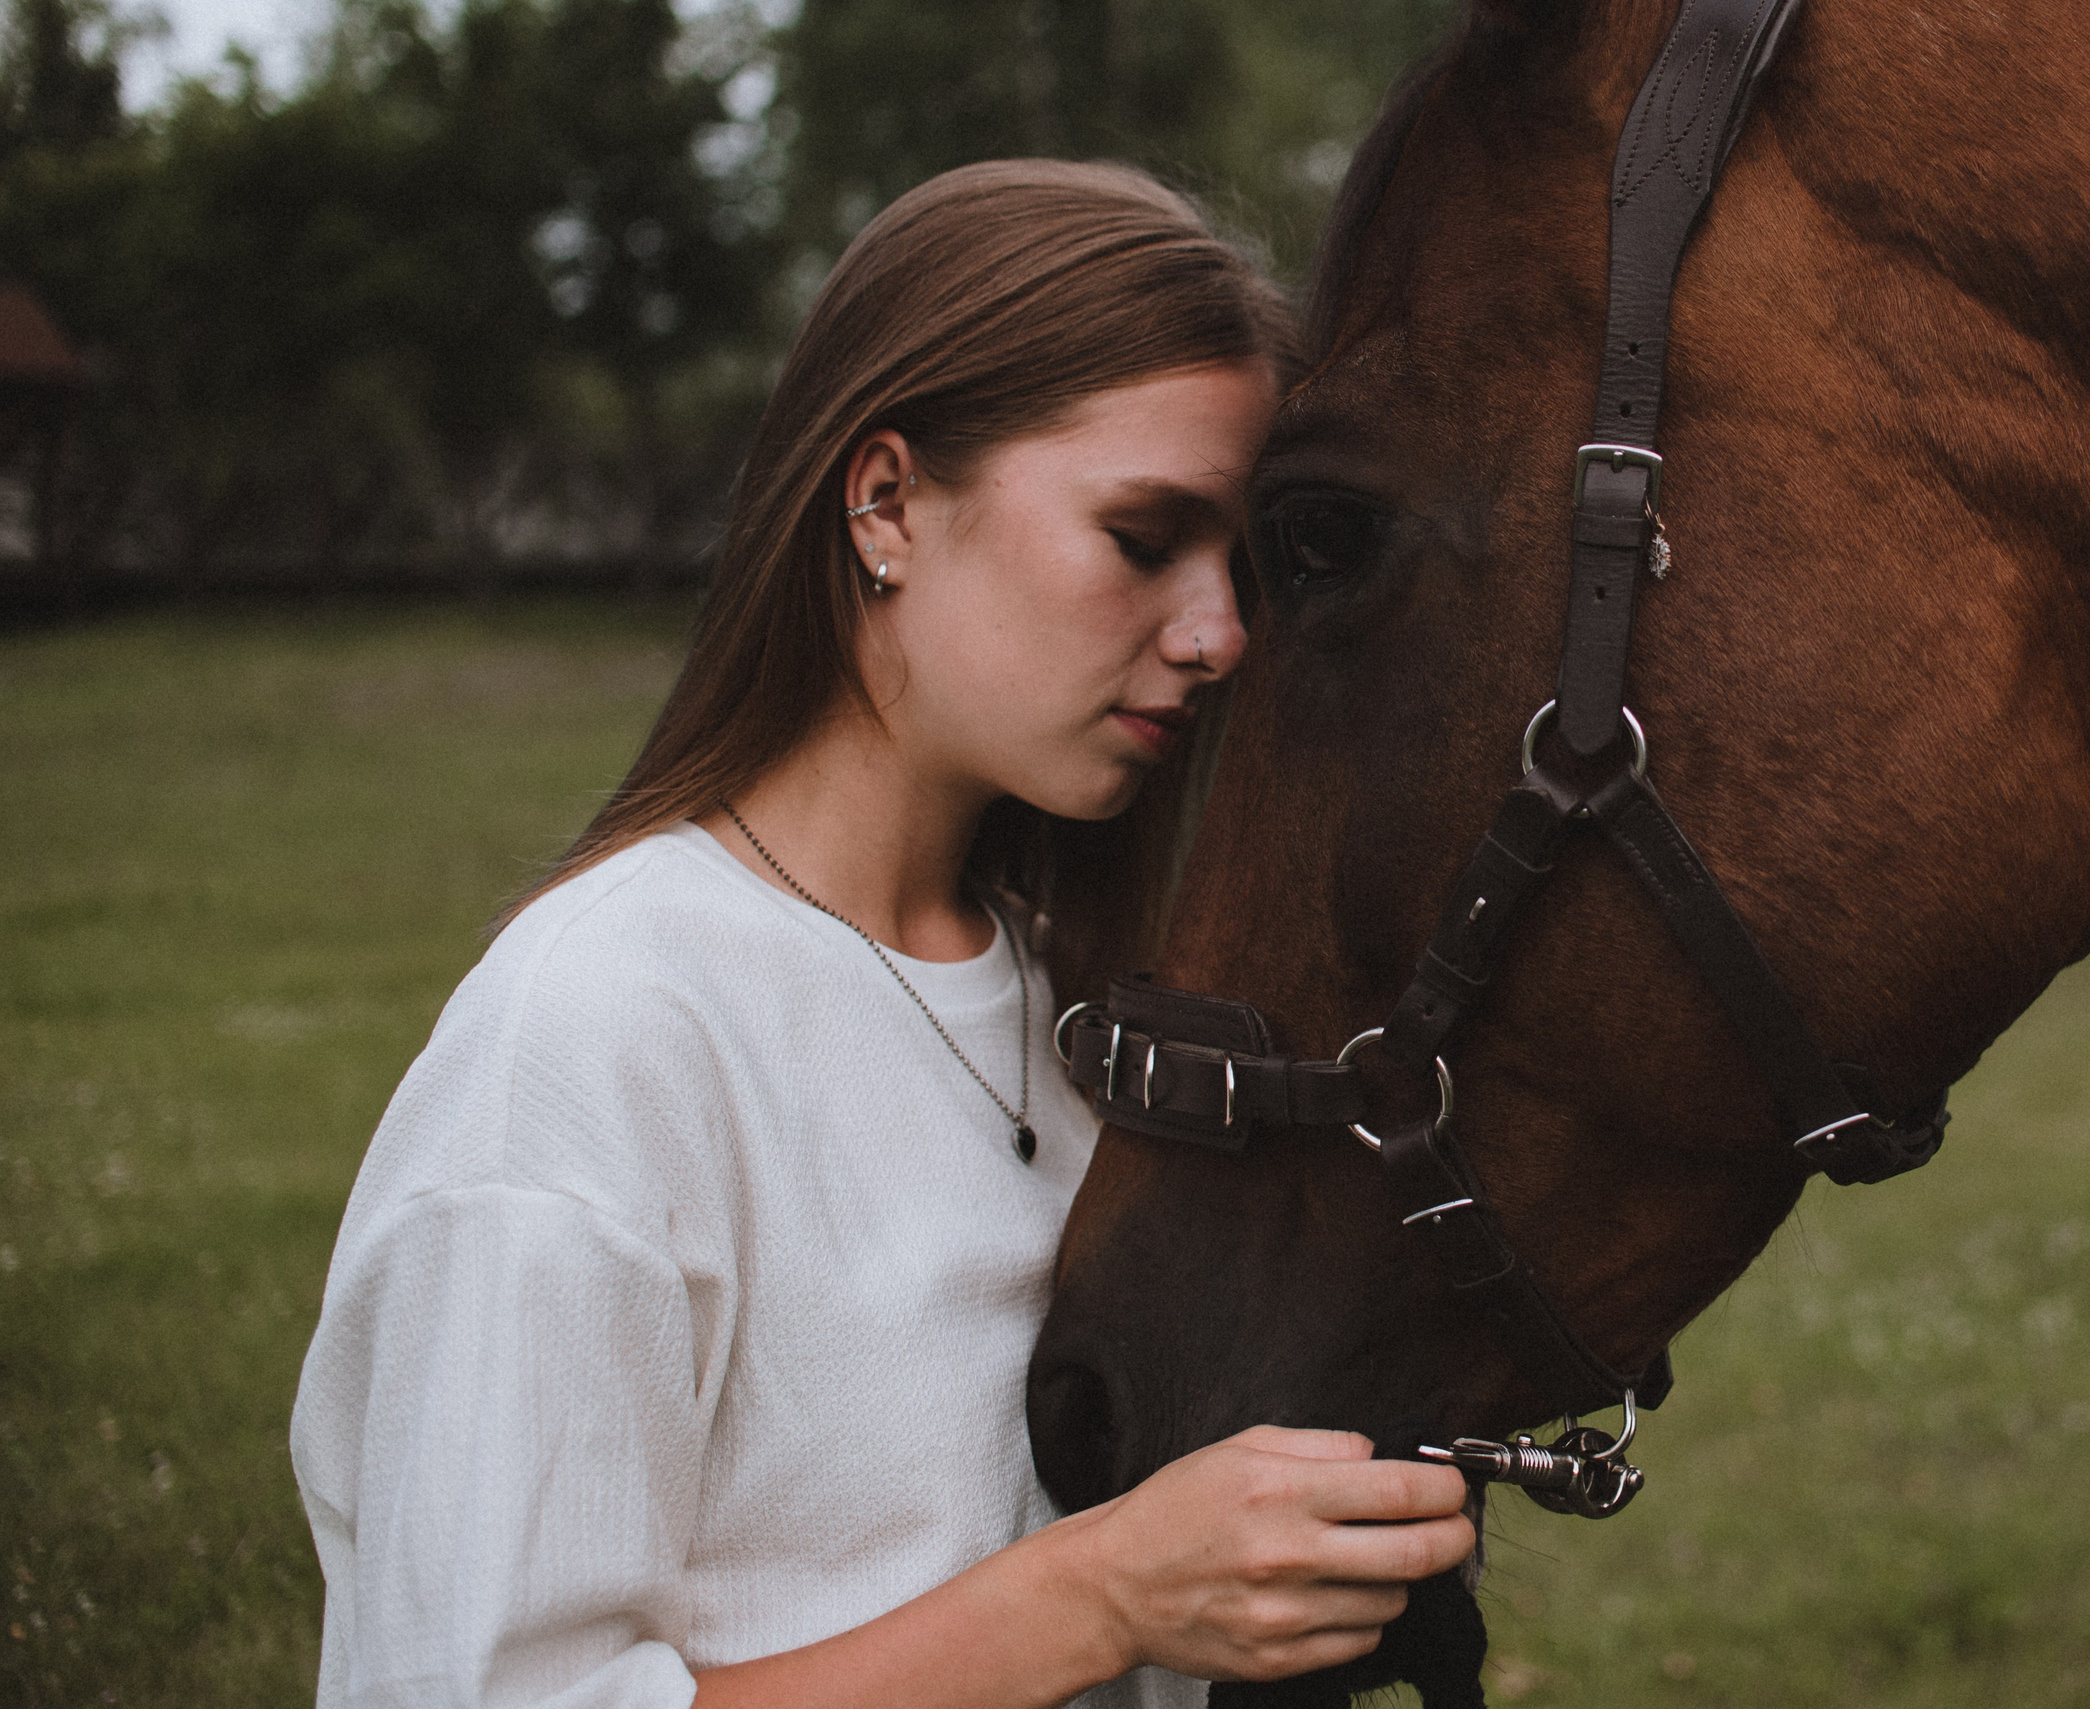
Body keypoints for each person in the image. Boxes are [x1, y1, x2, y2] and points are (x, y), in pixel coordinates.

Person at [288, 159, 1475, 1709]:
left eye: (1239, 562)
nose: (1220, 632)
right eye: (1143, 536)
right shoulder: (595, 1043)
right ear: (888, 501)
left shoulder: (1074, 1003)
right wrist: (1101, 1593)